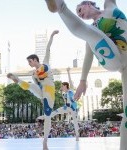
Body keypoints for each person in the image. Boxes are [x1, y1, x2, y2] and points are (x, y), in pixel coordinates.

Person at [44, 0, 127, 149]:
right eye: (78, 14)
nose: (80, 14)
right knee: (89, 33)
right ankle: (60, 6)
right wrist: (83, 80)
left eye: (80, 10)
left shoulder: (110, 6)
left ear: (88, 3)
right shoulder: (92, 30)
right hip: (116, 60)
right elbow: (88, 57)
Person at [7, 30, 59, 150]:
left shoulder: (45, 63)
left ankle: (45, 141)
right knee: (30, 84)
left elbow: (48, 49)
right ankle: (17, 79)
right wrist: (41, 97)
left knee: (47, 116)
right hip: (42, 91)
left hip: (49, 90)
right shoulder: (34, 74)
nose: (29, 63)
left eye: (30, 61)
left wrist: (51, 36)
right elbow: (37, 85)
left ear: (35, 59)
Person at [37, 67, 80, 141]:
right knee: (54, 112)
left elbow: (70, 81)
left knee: (75, 121)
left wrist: (68, 72)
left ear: (66, 86)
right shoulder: (64, 94)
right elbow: (66, 101)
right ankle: (44, 117)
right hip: (66, 107)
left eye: (62, 86)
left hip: (73, 108)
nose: (61, 87)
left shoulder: (71, 90)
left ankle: (77, 136)